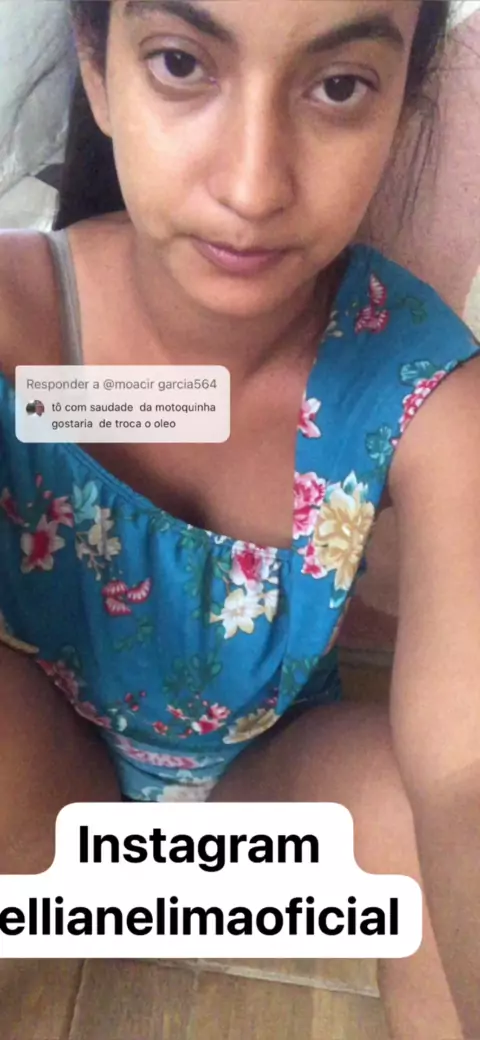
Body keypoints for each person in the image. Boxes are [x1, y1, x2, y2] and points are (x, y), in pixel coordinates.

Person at [0, 1, 478, 1035]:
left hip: (257, 807)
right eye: (182, 63)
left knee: (415, 805)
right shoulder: (20, 326)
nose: (253, 186)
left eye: (339, 86)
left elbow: (465, 773)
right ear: (99, 68)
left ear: (404, 103)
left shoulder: (426, 395)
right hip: (45, 806)